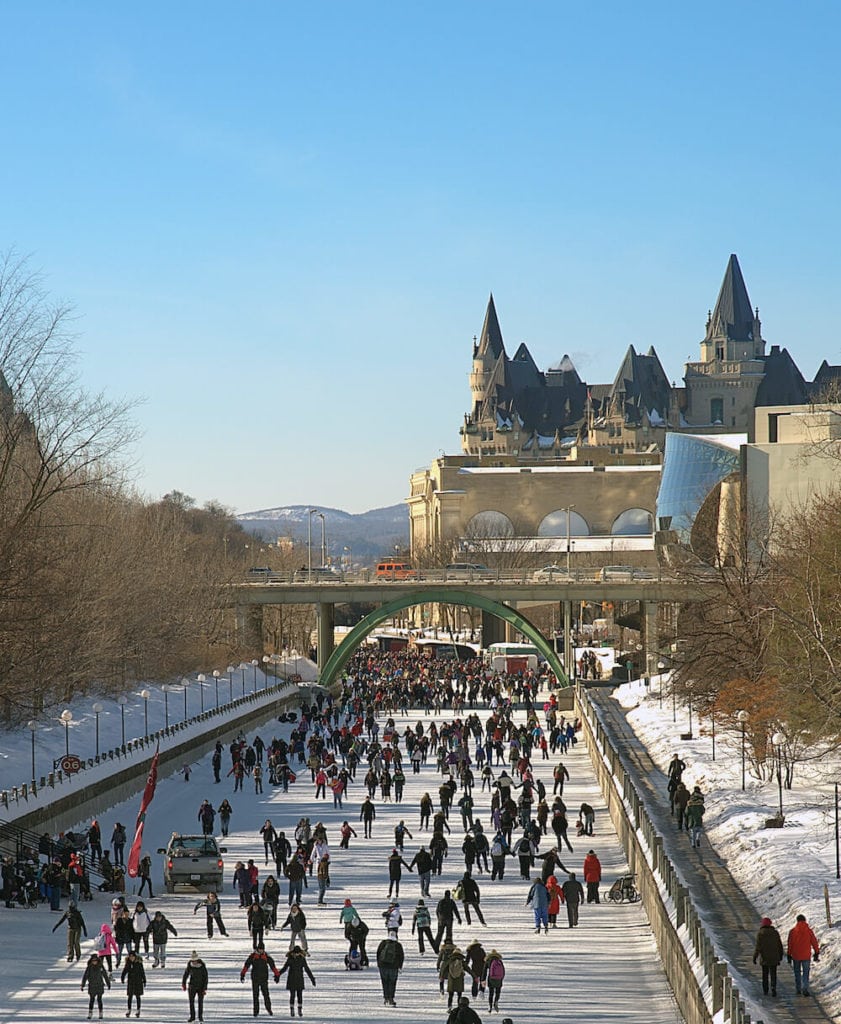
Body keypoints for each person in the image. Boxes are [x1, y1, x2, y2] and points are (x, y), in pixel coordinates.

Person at [240, 942, 281, 1017]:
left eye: (262, 949)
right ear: (258, 949)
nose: (261, 951)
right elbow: (246, 965)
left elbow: (273, 966)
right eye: (260, 949)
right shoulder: (253, 956)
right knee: (255, 995)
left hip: (264, 978)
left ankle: (269, 1009)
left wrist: (277, 975)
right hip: (255, 978)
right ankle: (256, 1011)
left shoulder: (266, 956)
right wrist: (243, 974)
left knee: (266, 994)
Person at [277, 945, 316, 1019]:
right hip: (291, 979)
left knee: (299, 995)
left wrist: (312, 978)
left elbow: (307, 969)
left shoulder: (302, 959)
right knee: (292, 995)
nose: (296, 954)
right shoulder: (290, 959)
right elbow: (285, 968)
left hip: (299, 979)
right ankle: (292, 1009)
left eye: (297, 953)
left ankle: (300, 1009)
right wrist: (278, 975)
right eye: (295, 953)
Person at [786, 913, 820, 996]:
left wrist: (789, 954)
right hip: (806, 955)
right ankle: (805, 988)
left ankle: (798, 988)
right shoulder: (809, 931)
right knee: (806, 972)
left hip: (796, 955)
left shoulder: (793, 931)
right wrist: (816, 952)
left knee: (797, 972)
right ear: (805, 920)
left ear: (797, 921)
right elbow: (814, 942)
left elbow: (790, 944)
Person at [753, 917, 784, 997]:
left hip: (764, 957)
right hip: (774, 957)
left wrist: (755, 957)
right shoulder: (775, 933)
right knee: (773, 974)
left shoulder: (760, 933)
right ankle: (773, 987)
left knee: (765, 974)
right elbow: (779, 945)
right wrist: (780, 955)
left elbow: (758, 947)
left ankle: (765, 989)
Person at [376, 934, 405, 1007]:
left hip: (383, 966)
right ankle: (391, 999)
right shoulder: (398, 945)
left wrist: (379, 964)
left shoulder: (383, 943)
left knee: (384, 982)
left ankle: (386, 998)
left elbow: (378, 953)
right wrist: (400, 966)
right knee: (392, 982)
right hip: (393, 966)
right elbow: (401, 956)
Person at [81, 952, 111, 1020]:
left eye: (95, 960)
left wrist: (108, 984)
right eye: (93, 961)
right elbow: (85, 976)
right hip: (92, 986)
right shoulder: (89, 968)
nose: (94, 962)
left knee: (99, 999)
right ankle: (90, 1013)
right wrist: (83, 985)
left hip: (99, 985)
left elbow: (105, 975)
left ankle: (100, 1013)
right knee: (92, 1000)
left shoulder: (100, 967)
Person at [182, 949, 209, 1022]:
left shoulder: (202, 966)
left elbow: (205, 977)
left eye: (195, 961)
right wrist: (183, 983)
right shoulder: (190, 965)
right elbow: (186, 974)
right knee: (191, 1002)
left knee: (200, 1002)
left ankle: (200, 1016)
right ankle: (192, 1016)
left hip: (201, 986)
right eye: (192, 960)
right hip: (192, 986)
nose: (193, 962)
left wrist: (204, 988)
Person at [121, 948, 147, 1018]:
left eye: (133, 956)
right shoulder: (128, 963)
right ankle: (129, 1009)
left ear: (135, 957)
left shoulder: (139, 963)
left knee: (138, 996)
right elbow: (125, 971)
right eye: (130, 956)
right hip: (131, 982)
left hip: (138, 981)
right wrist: (122, 978)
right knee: (130, 996)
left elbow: (142, 972)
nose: (131, 958)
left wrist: (144, 980)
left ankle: (138, 1010)